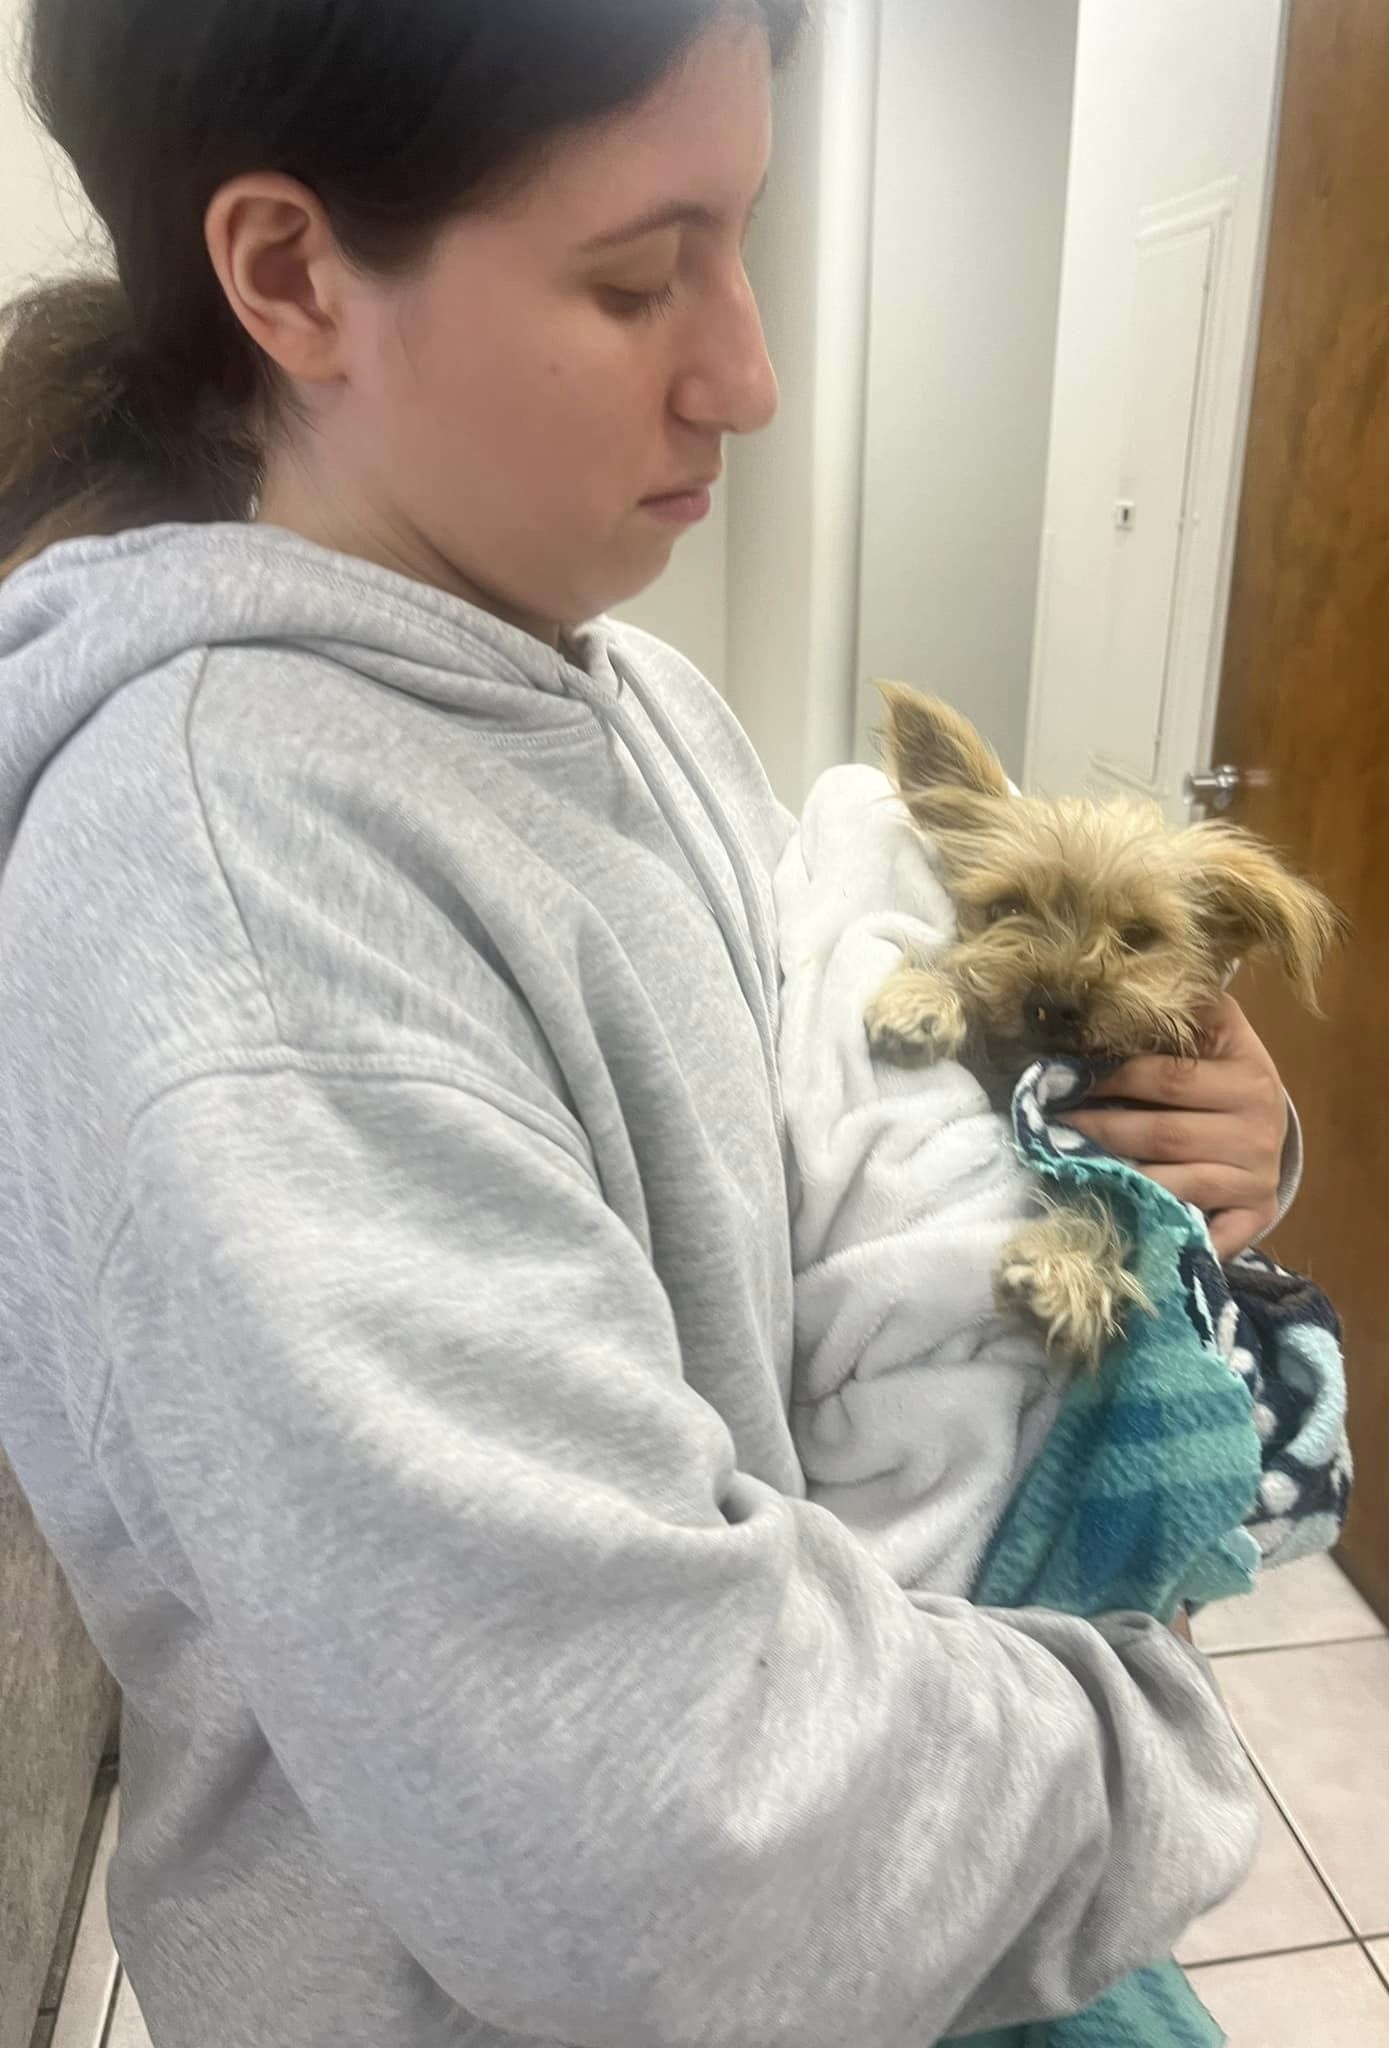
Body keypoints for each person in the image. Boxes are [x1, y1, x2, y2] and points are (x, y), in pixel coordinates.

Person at [0, 5, 1293, 2045]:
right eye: (634, 276)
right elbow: (670, 1851)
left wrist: (1128, 1134)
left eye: (742, 235)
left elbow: (796, 1177)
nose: (750, 373)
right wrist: (1156, 1748)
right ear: (289, 272)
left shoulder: (614, 694)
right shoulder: (245, 921)